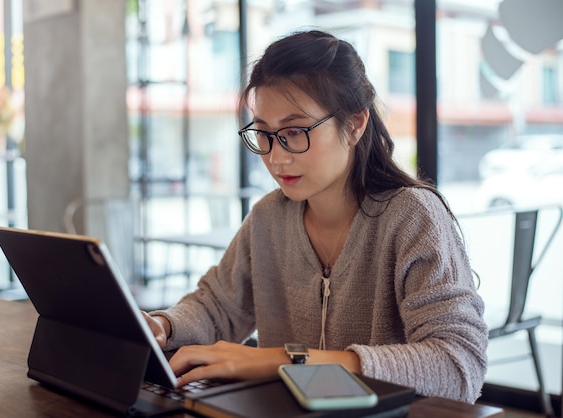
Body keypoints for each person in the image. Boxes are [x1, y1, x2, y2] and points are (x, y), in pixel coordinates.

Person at [142, 30, 488, 404]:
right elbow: (217, 307)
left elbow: (458, 364)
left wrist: (288, 362)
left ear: (355, 124)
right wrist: (162, 325)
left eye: (294, 131)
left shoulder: (411, 216)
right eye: (263, 133)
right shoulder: (268, 218)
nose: (275, 157)